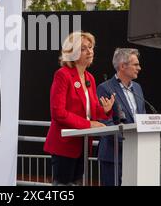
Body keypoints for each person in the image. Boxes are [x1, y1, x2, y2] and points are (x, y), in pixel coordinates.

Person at [44, 31, 114, 186]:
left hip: (82, 145)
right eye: (84, 48)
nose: (90, 51)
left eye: (91, 47)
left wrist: (105, 110)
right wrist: (89, 125)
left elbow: (92, 111)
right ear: (72, 52)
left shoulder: (89, 77)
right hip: (64, 144)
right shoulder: (62, 75)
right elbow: (58, 113)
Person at [96, 48, 146, 186]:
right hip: (113, 154)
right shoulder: (105, 88)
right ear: (123, 66)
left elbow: (142, 117)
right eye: (135, 64)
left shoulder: (137, 88)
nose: (139, 68)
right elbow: (105, 122)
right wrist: (127, 141)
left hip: (135, 152)